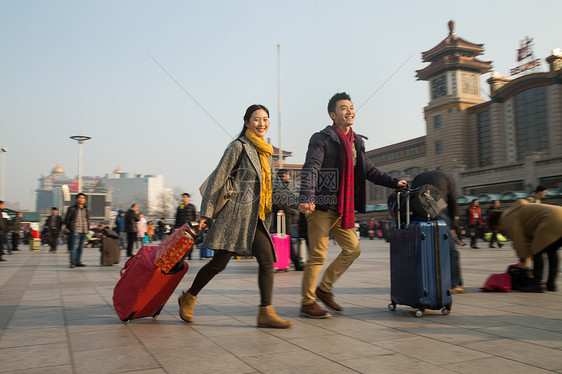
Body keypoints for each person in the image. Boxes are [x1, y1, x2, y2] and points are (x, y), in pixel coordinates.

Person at [178, 104, 300, 329]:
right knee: (218, 263)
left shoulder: (265, 154)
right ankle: (189, 296)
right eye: (256, 119)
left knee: (266, 260)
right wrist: (206, 213)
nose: (261, 123)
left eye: (265, 119)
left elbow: (276, 189)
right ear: (246, 122)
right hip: (234, 218)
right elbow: (217, 179)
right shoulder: (238, 146)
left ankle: (265, 312)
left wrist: (299, 203)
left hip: (257, 219)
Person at [297, 92, 407, 318]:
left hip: (342, 207)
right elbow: (311, 167)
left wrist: (395, 182)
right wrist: (307, 195)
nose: (349, 111)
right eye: (343, 108)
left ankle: (324, 289)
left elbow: (369, 171)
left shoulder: (356, 141)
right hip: (321, 205)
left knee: (353, 249)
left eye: (351, 107)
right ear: (332, 114)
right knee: (318, 255)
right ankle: (308, 302)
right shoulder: (322, 138)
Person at [487, 199, 561, 292]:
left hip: (551, 220)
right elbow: (528, 239)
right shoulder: (517, 211)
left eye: (497, 229)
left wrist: (523, 260)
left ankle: (537, 284)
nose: (502, 230)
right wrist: (527, 256)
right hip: (558, 215)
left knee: (537, 251)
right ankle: (551, 284)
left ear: (497, 223)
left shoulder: (507, 217)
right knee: (551, 250)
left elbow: (519, 240)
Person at [411, 170, 465, 293]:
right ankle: (454, 284)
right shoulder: (447, 176)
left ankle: (424, 282)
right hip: (439, 211)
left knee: (425, 249)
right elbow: (452, 202)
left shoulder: (418, 177)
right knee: (450, 250)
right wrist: (453, 227)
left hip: (420, 214)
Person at [64, 193, 90, 268]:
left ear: (85, 200)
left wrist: (87, 227)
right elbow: (67, 220)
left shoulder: (86, 209)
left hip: (84, 230)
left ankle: (78, 261)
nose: (81, 199)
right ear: (76, 199)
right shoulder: (72, 209)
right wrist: (71, 228)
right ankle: (72, 262)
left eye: (83, 198)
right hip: (75, 230)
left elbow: (87, 219)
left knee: (80, 247)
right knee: (74, 247)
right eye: (79, 198)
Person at [175, 193, 197, 260]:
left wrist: (195, 226)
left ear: (188, 198)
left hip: (190, 226)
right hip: (181, 226)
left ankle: (189, 255)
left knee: (189, 241)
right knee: (182, 242)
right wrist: (176, 227)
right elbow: (177, 217)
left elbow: (194, 217)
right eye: (183, 197)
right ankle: (183, 255)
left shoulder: (192, 206)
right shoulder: (180, 207)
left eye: (185, 197)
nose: (184, 198)